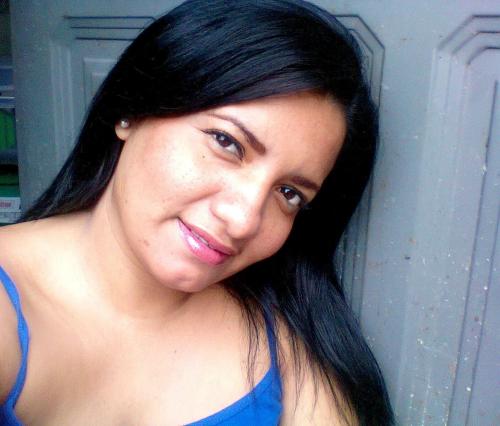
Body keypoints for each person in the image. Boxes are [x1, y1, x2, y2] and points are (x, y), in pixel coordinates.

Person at [0, 0, 394, 424]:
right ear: (132, 110)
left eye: (288, 193)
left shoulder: (285, 338)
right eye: (227, 142)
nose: (243, 220)